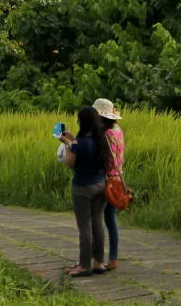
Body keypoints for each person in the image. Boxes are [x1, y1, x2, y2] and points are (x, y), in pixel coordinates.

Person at [60, 106, 110, 277]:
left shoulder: (80, 144)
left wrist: (67, 144)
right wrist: (73, 140)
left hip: (83, 187)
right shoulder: (101, 140)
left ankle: (84, 265)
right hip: (100, 184)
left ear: (82, 121)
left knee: (85, 226)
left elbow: (70, 163)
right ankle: (99, 262)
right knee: (97, 222)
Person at [94, 98, 124, 271]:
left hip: (106, 180)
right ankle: (113, 259)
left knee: (97, 220)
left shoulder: (104, 134)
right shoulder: (117, 130)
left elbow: (101, 160)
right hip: (118, 180)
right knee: (111, 221)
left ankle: (97, 259)